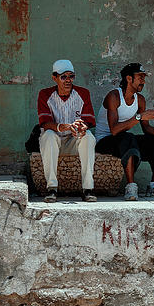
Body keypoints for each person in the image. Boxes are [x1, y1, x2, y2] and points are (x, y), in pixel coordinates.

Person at [94, 63, 154, 200]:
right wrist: (139, 117)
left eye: (144, 78)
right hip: (105, 141)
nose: (143, 81)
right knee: (128, 138)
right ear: (129, 79)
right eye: (140, 77)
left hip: (125, 140)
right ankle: (131, 186)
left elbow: (146, 128)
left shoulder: (140, 100)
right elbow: (114, 130)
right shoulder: (114, 97)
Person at [36, 59, 97, 202]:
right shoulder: (45, 94)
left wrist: (83, 127)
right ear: (54, 78)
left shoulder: (83, 93)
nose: (68, 80)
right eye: (63, 77)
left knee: (88, 136)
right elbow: (44, 123)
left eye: (71, 76)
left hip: (73, 140)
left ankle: (88, 189)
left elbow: (88, 120)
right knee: (49, 135)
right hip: (54, 140)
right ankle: (52, 188)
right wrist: (59, 126)